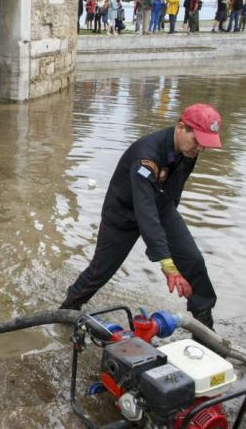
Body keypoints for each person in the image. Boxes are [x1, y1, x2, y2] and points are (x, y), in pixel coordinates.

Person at [59, 103, 225, 332]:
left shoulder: (188, 151)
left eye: (205, 144)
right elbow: (144, 211)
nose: (200, 149)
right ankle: (67, 308)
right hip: (123, 214)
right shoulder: (146, 156)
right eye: (197, 141)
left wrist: (173, 250)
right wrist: (164, 259)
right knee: (100, 271)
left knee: (193, 260)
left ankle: (205, 328)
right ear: (180, 128)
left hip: (161, 206)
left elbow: (173, 192)